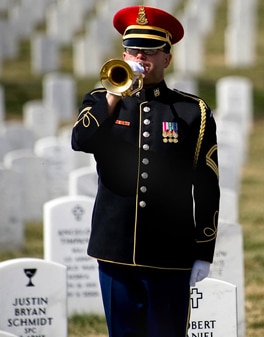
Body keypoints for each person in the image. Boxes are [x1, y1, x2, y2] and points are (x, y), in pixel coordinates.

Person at [71, 6, 220, 337]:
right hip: (115, 250)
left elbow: (207, 186)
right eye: (134, 49)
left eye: (151, 50)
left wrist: (203, 250)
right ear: (123, 53)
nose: (142, 57)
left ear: (167, 58)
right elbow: (81, 140)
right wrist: (112, 95)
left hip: (170, 253)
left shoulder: (191, 111)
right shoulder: (100, 101)